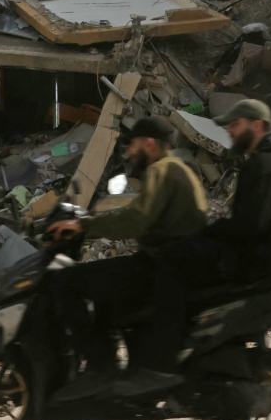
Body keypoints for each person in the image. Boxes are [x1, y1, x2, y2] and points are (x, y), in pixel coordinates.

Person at [117, 97, 271, 398]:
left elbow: (248, 226)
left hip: (261, 260)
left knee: (170, 261)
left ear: (257, 126)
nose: (230, 131)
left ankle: (162, 363)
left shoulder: (261, 165)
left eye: (235, 124)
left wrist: (207, 233)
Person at [44, 115, 206, 400]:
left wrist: (84, 225)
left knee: (67, 282)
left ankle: (100, 366)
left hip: (161, 266)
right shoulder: (181, 168)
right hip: (177, 266)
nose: (129, 152)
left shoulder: (161, 170)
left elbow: (136, 219)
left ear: (149, 144)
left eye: (132, 145)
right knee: (105, 287)